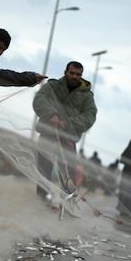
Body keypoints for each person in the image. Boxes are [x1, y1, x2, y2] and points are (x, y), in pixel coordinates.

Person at [33, 61, 97, 205]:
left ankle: (67, 205)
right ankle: (41, 202)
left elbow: (90, 116)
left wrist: (67, 124)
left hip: (68, 139)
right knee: (43, 170)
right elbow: (39, 99)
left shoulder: (87, 96)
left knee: (69, 174)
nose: (75, 76)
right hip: (48, 134)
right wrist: (51, 114)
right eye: (72, 73)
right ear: (65, 72)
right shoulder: (52, 86)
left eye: (78, 74)